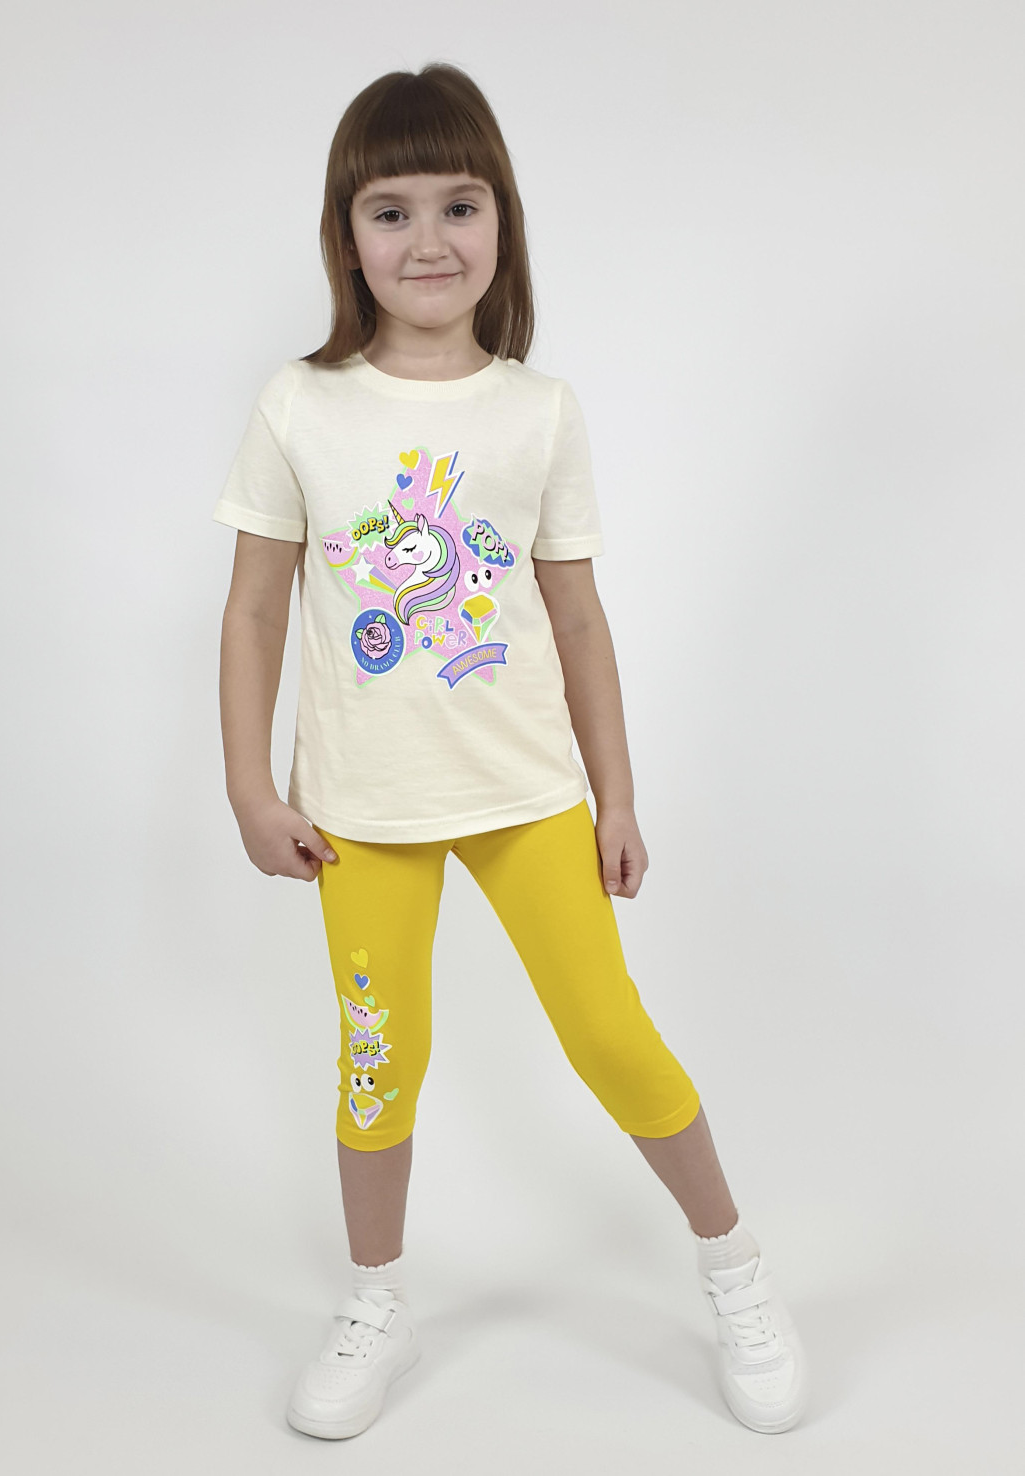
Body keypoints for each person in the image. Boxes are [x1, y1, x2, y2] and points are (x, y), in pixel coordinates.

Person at [213, 62, 808, 1442]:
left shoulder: (538, 412)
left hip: (528, 795)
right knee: (379, 1061)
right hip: (359, 810)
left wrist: (618, 795)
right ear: (344, 235)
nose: (427, 239)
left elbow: (579, 618)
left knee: (608, 1033)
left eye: (459, 205)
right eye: (391, 210)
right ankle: (377, 1300)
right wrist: (248, 786)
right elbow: (251, 612)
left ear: (502, 223)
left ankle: (734, 1266)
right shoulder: (300, 405)